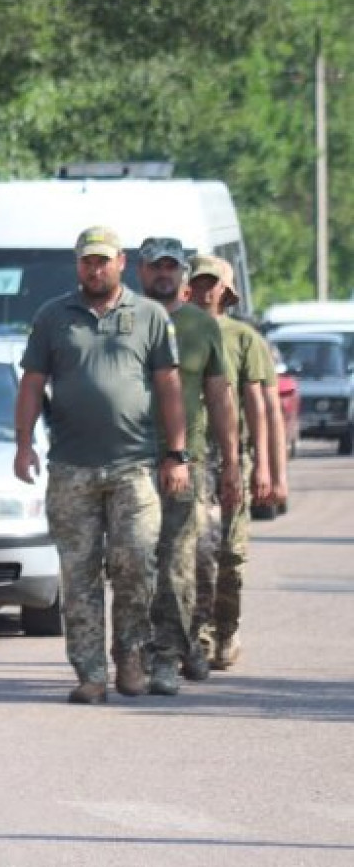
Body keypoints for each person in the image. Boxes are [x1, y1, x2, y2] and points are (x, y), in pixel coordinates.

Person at [15, 226, 187, 705]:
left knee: (136, 563)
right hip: (72, 468)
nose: (95, 270)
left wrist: (176, 453)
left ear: (121, 262)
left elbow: (169, 386)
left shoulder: (149, 316)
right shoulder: (54, 317)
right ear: (78, 265)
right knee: (79, 574)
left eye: (103, 261)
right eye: (87, 261)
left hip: (134, 466)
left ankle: (130, 655)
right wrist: (24, 444)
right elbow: (32, 384)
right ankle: (90, 672)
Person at [135, 238, 241, 696]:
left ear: (180, 274)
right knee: (135, 560)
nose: (164, 274)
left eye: (171, 267)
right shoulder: (126, 321)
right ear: (140, 271)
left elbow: (219, 397)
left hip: (186, 461)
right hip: (131, 459)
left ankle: (169, 654)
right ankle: (143, 650)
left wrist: (231, 463)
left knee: (182, 562)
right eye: (155, 267)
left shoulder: (201, 326)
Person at [187, 256, 277, 674]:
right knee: (195, 551)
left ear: (226, 290)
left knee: (230, 553)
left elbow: (258, 404)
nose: (205, 290)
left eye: (213, 283)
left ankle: (226, 629)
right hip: (189, 456)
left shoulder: (244, 337)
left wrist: (264, 467)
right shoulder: (176, 331)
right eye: (199, 282)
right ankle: (200, 635)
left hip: (230, 458)